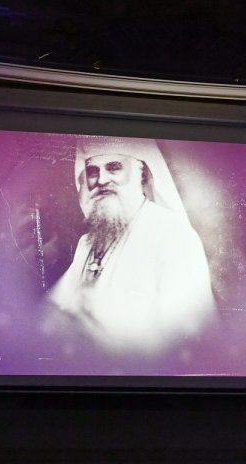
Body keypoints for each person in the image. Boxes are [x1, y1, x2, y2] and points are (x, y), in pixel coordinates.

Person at [44, 136, 217, 356]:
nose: (101, 180)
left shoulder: (173, 235)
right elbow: (55, 307)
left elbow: (185, 341)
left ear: (141, 174)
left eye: (114, 167)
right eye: (93, 171)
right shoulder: (88, 242)